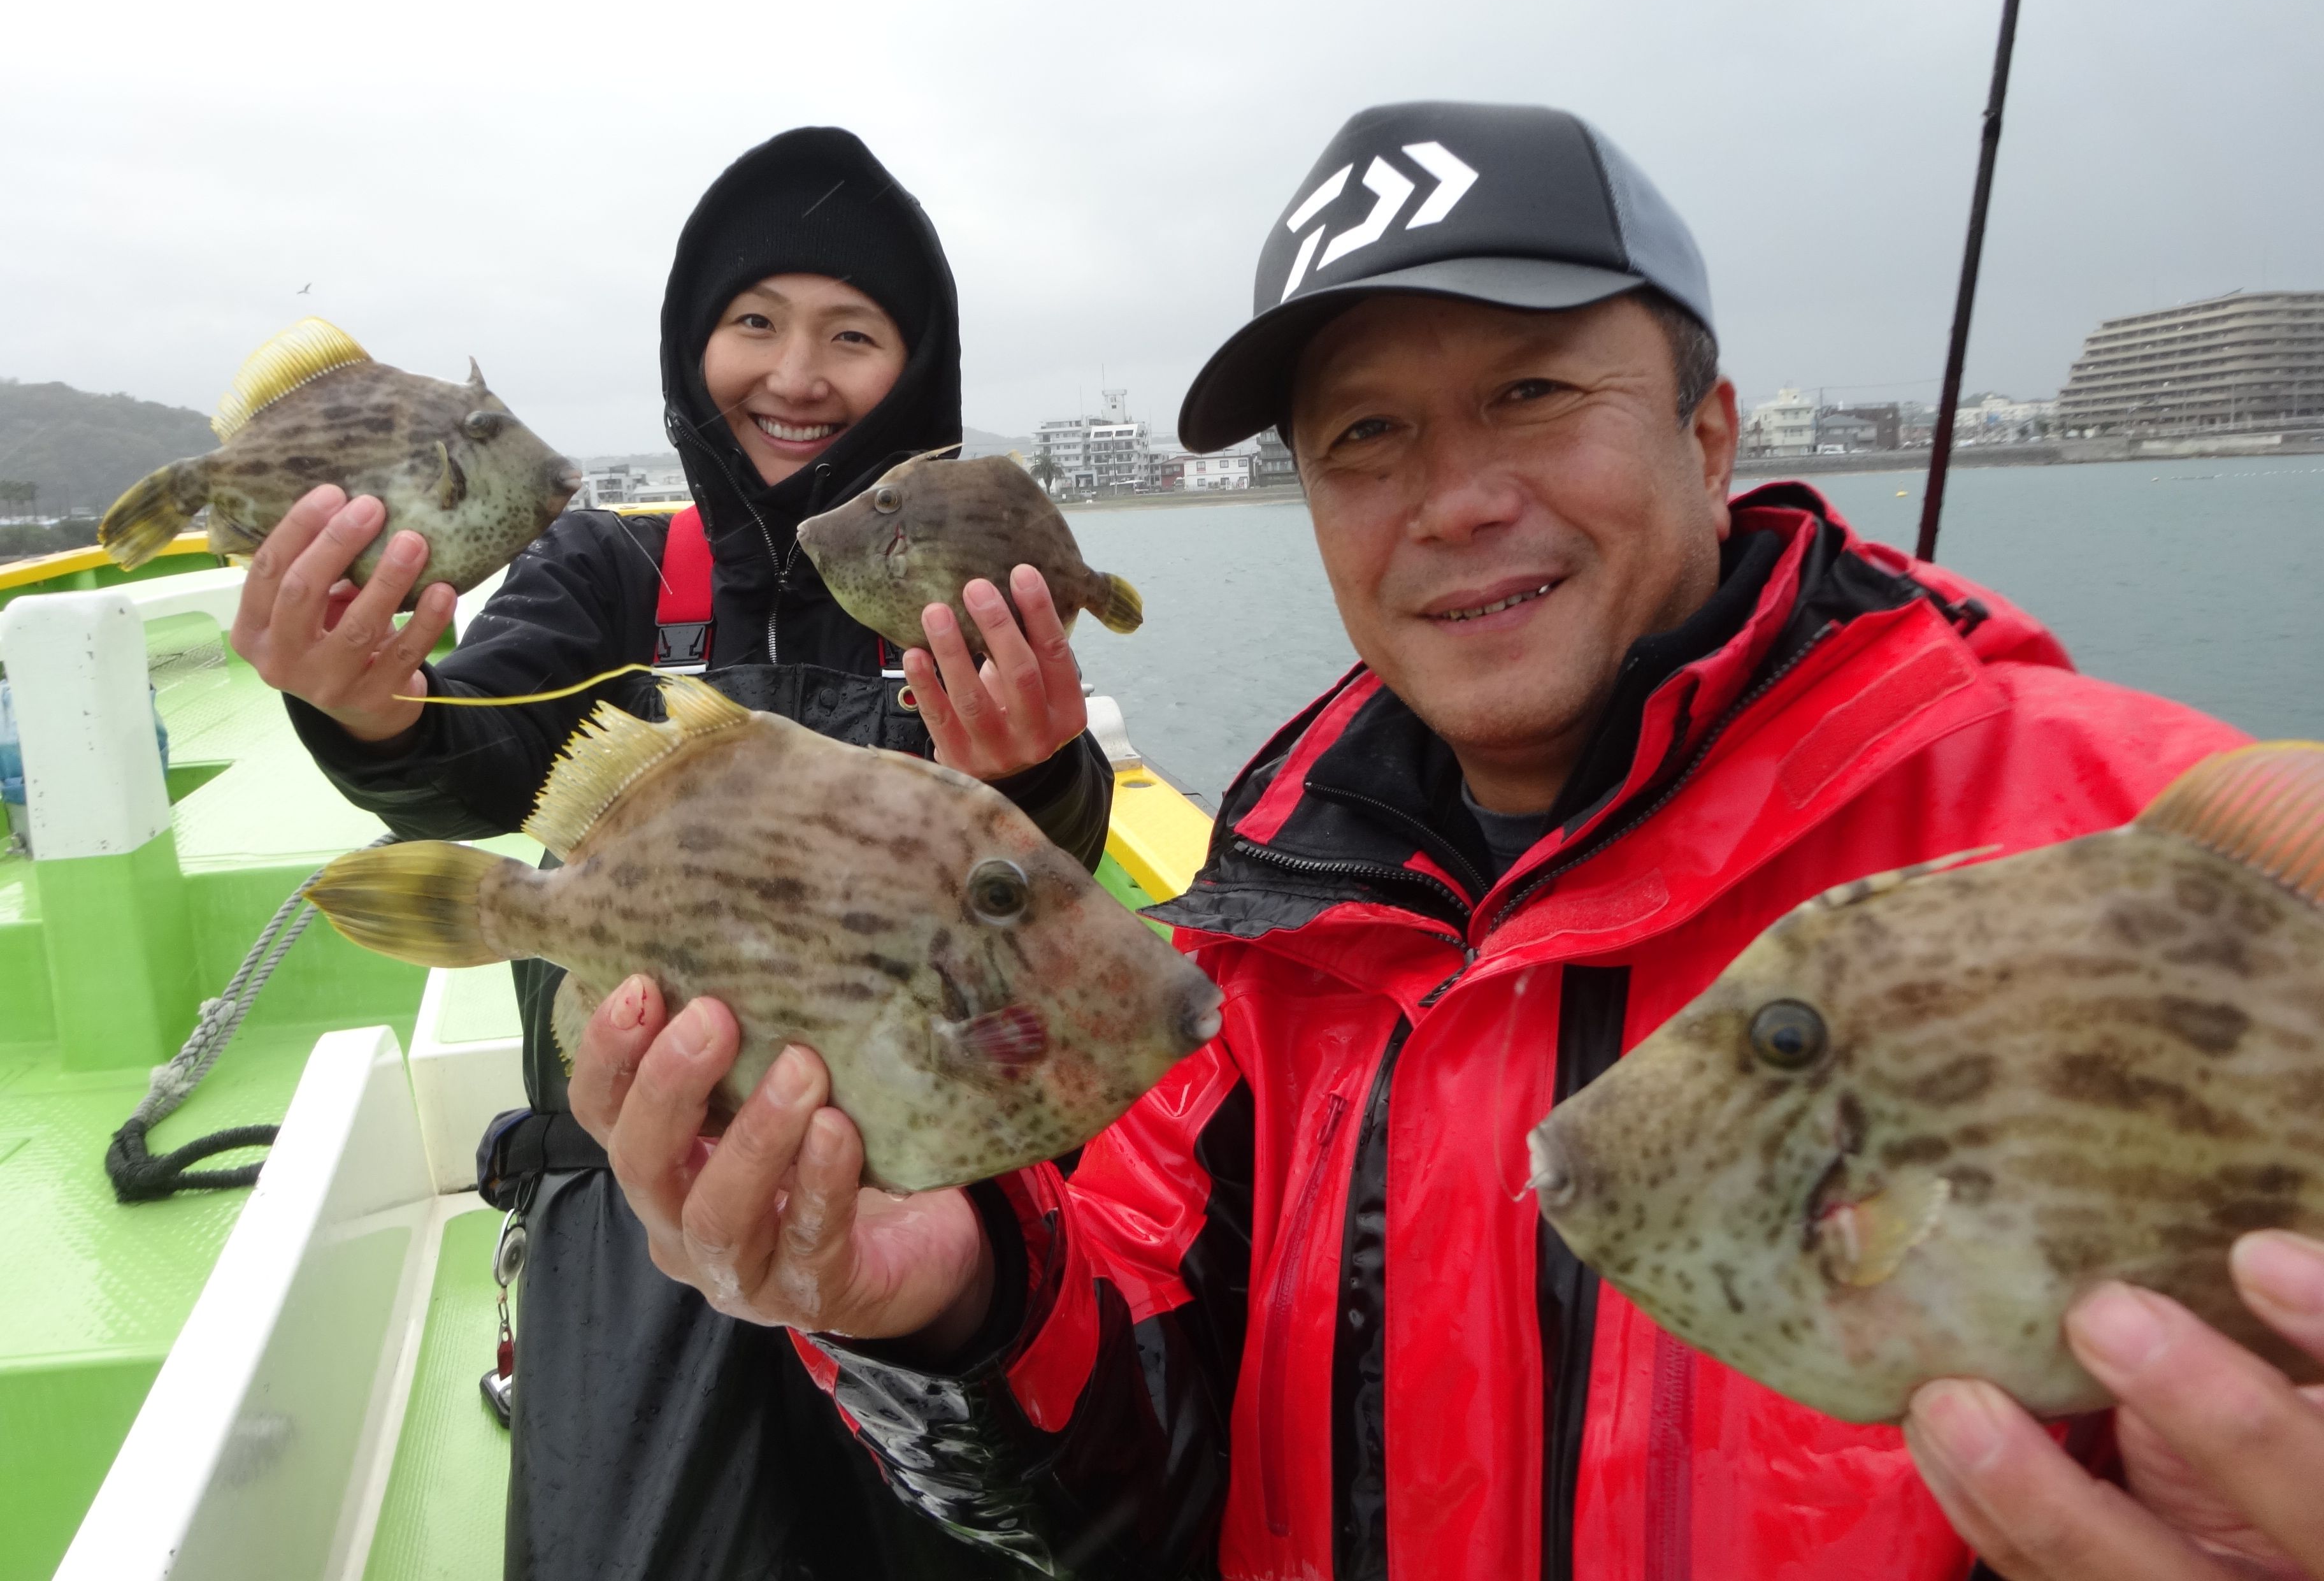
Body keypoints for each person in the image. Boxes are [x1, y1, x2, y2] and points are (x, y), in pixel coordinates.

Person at [566, 103, 2324, 1580]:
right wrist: (948, 1305)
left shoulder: (2123, 847)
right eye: (1366, 436)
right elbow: (1140, 1480)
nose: (1458, 500)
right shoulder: (1275, 927)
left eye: (1536, 392)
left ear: (1711, 433)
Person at [230, 126, 1104, 1578]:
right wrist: (373, 712)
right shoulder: (615, 570)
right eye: (753, 322)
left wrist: (1041, 771)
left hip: (919, 1191)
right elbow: (470, 753)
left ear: (919, 370)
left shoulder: (950, 590)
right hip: (631, 1195)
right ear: (693, 348)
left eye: (854, 334)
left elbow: (1037, 896)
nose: (795, 374)